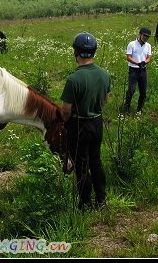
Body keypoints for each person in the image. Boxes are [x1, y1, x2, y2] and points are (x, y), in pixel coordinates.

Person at [60, 32, 111, 210]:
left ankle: (84, 202)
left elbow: (66, 110)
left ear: (76, 53)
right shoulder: (105, 74)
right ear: (94, 52)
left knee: (81, 164)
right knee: (96, 161)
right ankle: (101, 200)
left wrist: (66, 122)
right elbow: (105, 100)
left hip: (79, 124)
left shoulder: (73, 79)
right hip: (97, 122)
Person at [123, 27, 152, 115]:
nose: (146, 38)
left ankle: (139, 109)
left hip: (143, 70)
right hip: (133, 70)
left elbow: (149, 58)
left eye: (147, 36)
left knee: (143, 91)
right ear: (140, 34)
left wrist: (144, 62)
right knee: (131, 90)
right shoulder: (132, 44)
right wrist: (138, 63)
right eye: (144, 36)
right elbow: (128, 57)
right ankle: (126, 107)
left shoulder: (148, 45)